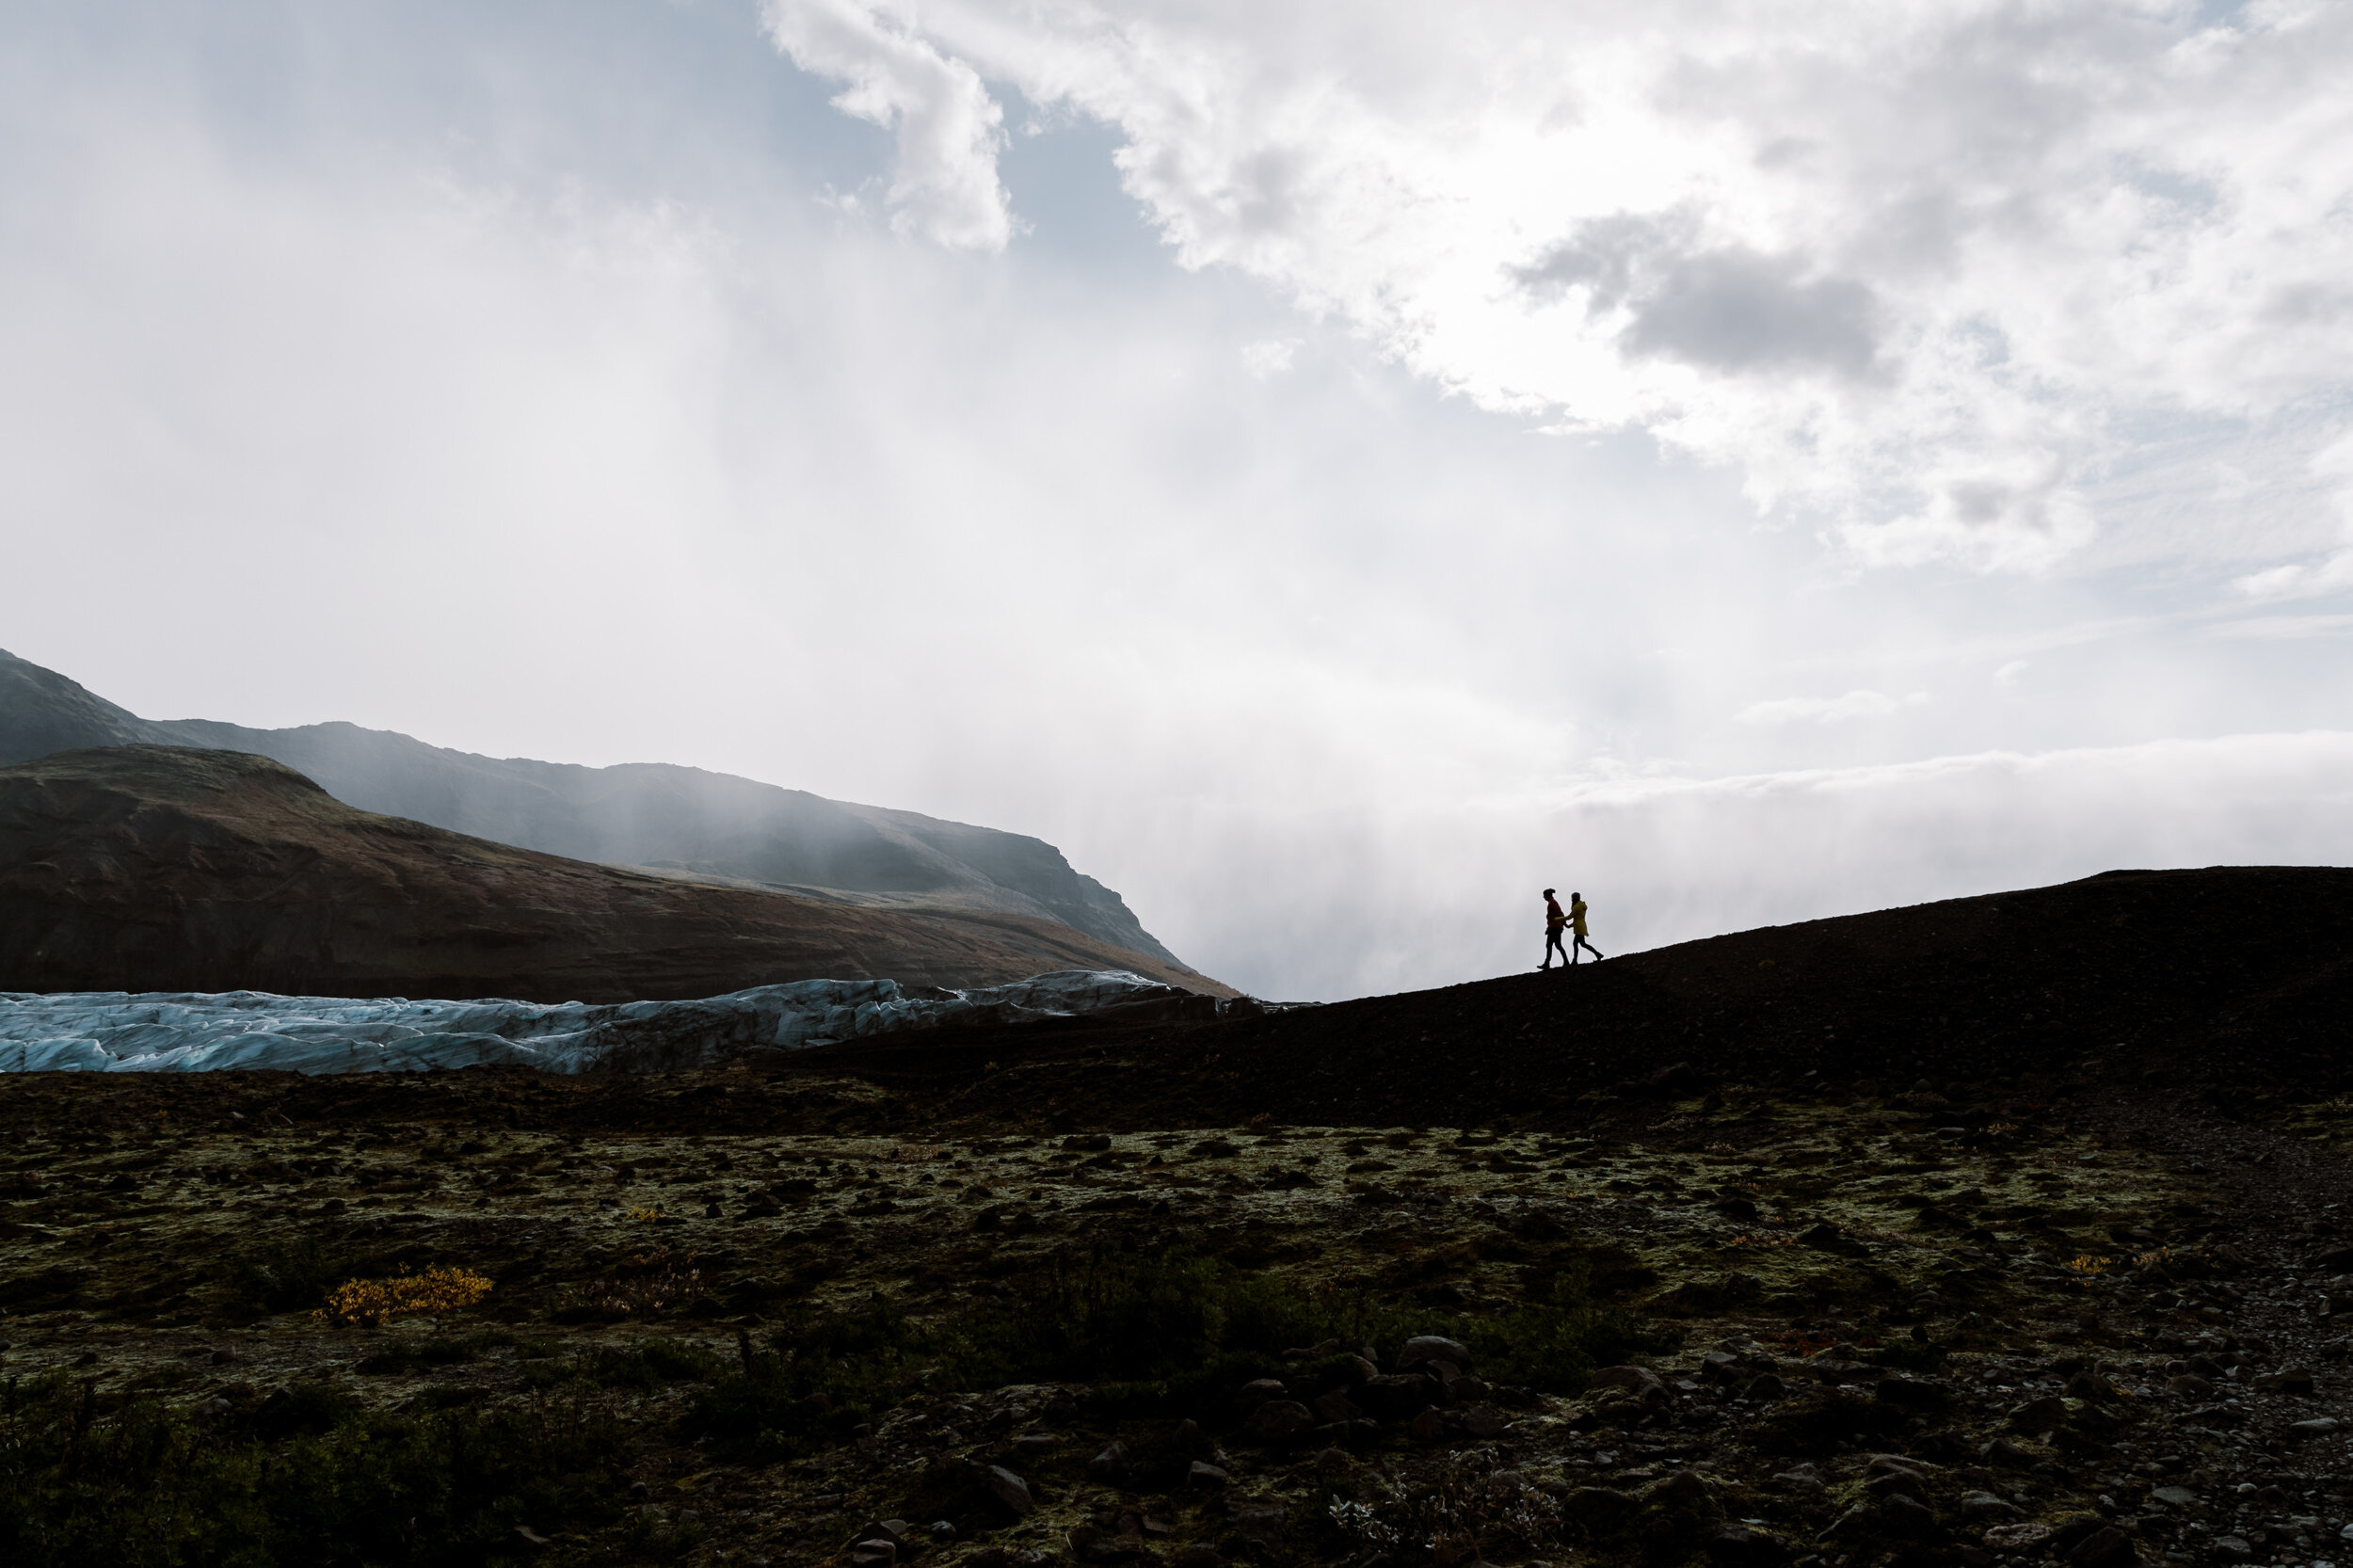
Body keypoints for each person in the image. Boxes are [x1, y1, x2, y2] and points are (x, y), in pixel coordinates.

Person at [1568, 890, 1604, 964]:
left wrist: (1556, 919)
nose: (1571, 899)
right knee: (1582, 944)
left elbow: (1569, 917)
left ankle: (1575, 960)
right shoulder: (1580, 906)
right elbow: (1577, 919)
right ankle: (1597, 954)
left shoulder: (1577, 906)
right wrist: (1570, 925)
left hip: (1579, 928)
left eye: (1572, 898)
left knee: (1576, 943)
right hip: (1580, 927)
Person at [1541, 888, 1569, 970]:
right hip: (1555, 927)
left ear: (1547, 895)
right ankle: (1566, 961)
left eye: (1544, 896)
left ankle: (1547, 964)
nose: (1544, 897)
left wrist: (1564, 923)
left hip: (1555, 927)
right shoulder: (1552, 903)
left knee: (1549, 945)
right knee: (1558, 945)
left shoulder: (1552, 903)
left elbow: (1559, 914)